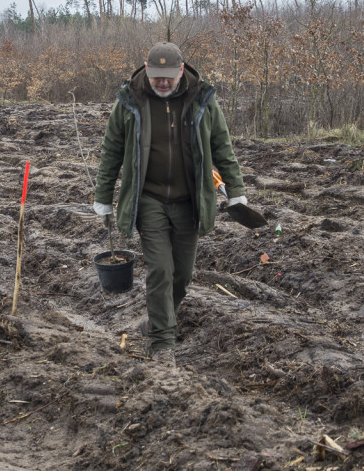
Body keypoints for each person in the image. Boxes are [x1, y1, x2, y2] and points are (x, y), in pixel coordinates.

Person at [93, 42, 249, 367]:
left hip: (189, 202)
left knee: (182, 275)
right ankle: (163, 344)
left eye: (168, 77)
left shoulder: (202, 99)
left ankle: (157, 321)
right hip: (148, 199)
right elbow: (111, 152)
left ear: (181, 71)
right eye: (156, 77)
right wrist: (103, 198)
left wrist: (235, 189)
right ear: (146, 69)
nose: (162, 83)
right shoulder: (129, 102)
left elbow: (222, 145)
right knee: (160, 269)